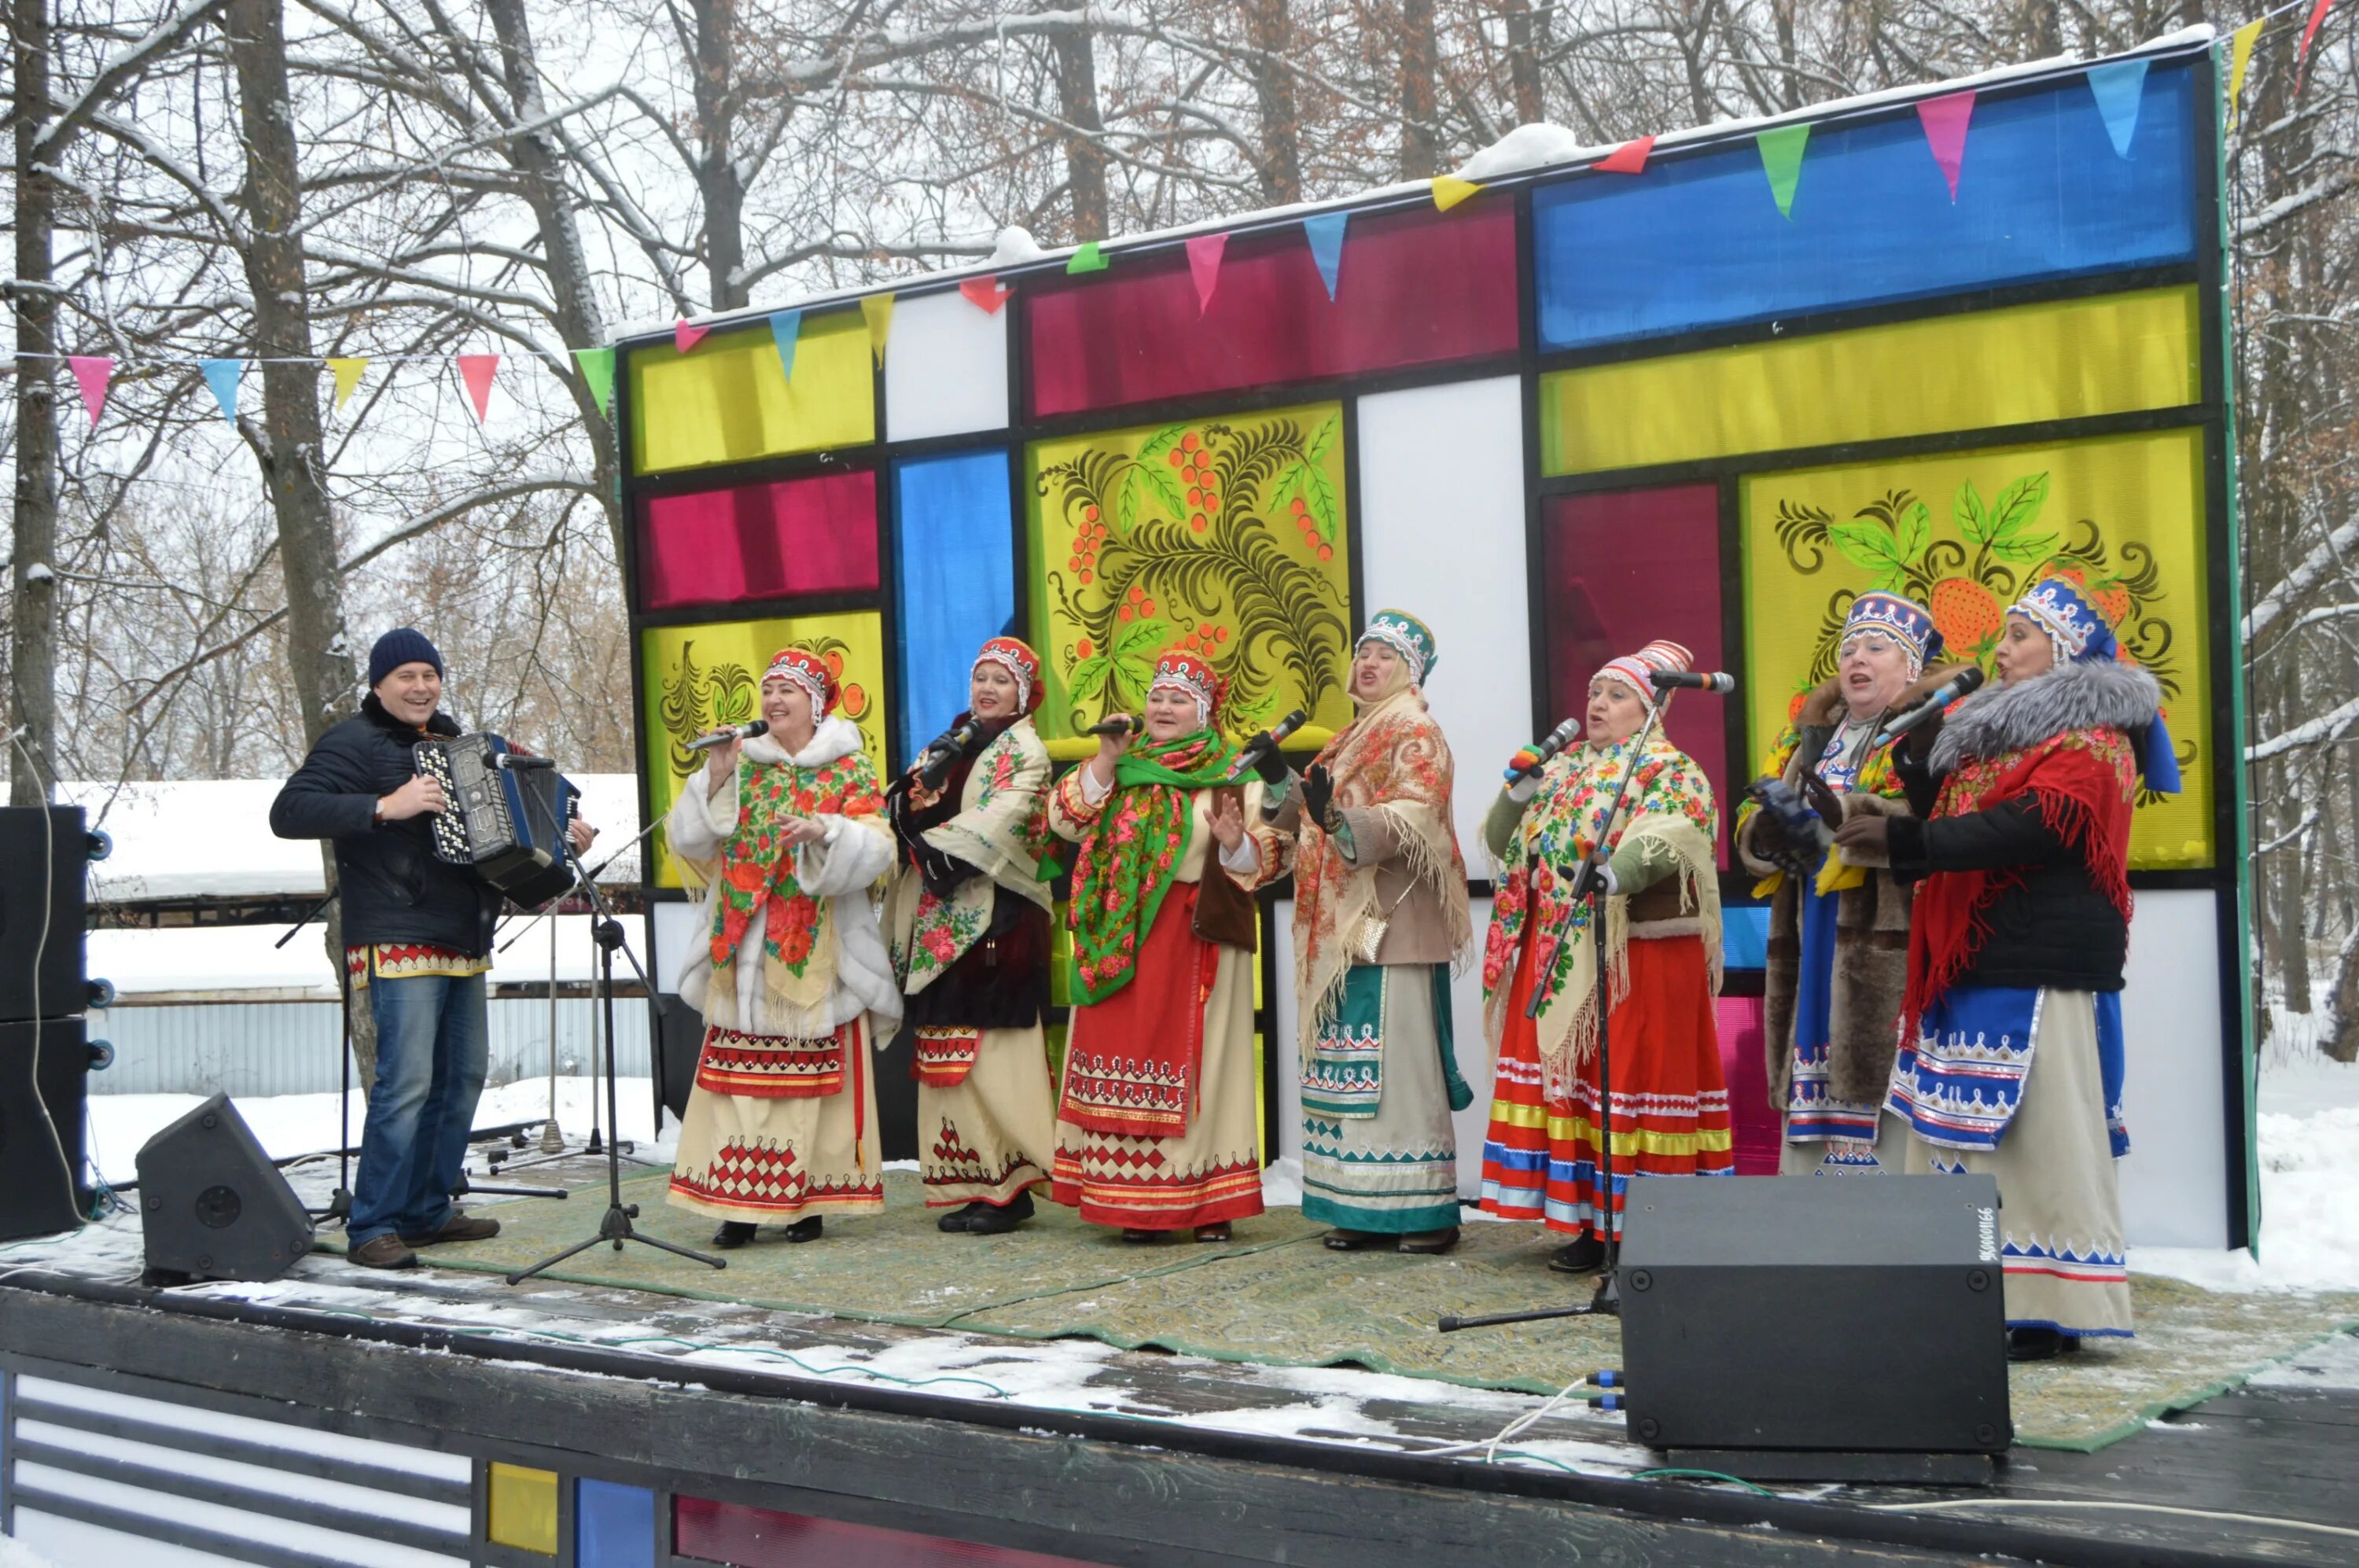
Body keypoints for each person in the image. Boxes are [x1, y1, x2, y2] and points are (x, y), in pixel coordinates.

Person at [1835, 577, 2177, 1359]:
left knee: (2035, 1143)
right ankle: (1976, 1286)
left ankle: (2046, 1304)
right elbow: (1959, 816)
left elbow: (2026, 828)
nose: (2001, 648)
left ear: (2065, 647)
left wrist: (1908, 842)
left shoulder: (2095, 742)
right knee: (1964, 1137)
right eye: (2004, 634)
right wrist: (1922, 755)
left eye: (2020, 634)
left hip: (2036, 965)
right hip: (1973, 958)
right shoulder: (1998, 742)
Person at [271, 628, 596, 1271]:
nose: (421, 687)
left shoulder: (460, 747)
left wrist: (564, 842)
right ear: (378, 684)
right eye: (406, 677)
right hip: (395, 932)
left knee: (464, 1077)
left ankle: (425, 1209)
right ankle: (372, 1225)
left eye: (430, 675)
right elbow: (290, 811)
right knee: (407, 1084)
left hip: (462, 935)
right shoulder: (352, 742)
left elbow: (500, 843)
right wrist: (384, 806)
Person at [1476, 639, 1730, 1272]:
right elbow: (1507, 849)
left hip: (1631, 961)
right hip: (1563, 951)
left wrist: (1615, 873)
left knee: (1628, 1081)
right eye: (1594, 692)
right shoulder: (1562, 771)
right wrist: (1516, 795)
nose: (1598, 704)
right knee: (1580, 1090)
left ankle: (1645, 1225)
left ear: (1650, 709)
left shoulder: (1671, 770)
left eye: (1617, 695)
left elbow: (1676, 833)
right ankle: (1590, 1224)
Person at [664, 646, 900, 1247]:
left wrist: (829, 832)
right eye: (768, 690)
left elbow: (879, 848)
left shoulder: (849, 769)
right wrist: (714, 775)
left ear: (816, 704)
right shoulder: (742, 762)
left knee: (815, 1083)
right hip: (745, 940)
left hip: (817, 939)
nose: (773, 701)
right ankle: (738, 1206)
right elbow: (688, 838)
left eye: (787, 691)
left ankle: (810, 1199)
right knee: (740, 1081)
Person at [1047, 646, 1284, 1242]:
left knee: (1203, 1070)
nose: (1163, 706)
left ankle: (1206, 1201)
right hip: (1117, 941)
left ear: (1204, 712)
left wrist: (1233, 845)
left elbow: (1268, 861)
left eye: (1179, 699)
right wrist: (1105, 756)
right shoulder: (1124, 767)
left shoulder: (1233, 776)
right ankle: (1129, 1203)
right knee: (1121, 1061)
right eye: (1157, 696)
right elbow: (1063, 822)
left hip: (1194, 939)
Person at [1260, 611, 1474, 1255]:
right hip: (1338, 930)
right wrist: (1276, 776)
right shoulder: (1351, 737)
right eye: (1362, 654)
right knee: (1343, 1070)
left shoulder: (1416, 731)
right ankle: (1355, 1204)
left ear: (1410, 671)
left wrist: (1341, 817)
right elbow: (1309, 817)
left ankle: (1424, 1211)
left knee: (1398, 1068)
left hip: (1391, 920)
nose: (1368, 665)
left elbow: (1415, 813)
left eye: (1384, 655)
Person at [1735, 592, 1967, 1174]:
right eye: (1848, 648)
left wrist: (1856, 817)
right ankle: (1817, 1228)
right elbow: (1755, 832)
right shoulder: (1812, 736)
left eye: (1875, 647)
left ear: (1912, 668)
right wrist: (1771, 829)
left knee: (1875, 1067)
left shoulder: (1930, 734)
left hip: (1884, 932)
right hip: (1810, 930)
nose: (1855, 659)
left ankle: (1885, 1223)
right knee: (1811, 1063)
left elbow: (1944, 825)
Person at [883, 636, 1058, 1235]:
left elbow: (1003, 821)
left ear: (1023, 692)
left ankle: (1013, 1184)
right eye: (980, 677)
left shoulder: (1027, 751)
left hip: (1000, 919)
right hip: (942, 913)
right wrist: (909, 813)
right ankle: (974, 1181)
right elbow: (910, 802)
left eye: (1000, 680)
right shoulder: (952, 742)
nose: (986, 689)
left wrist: (934, 853)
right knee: (947, 1050)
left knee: (991, 1056)